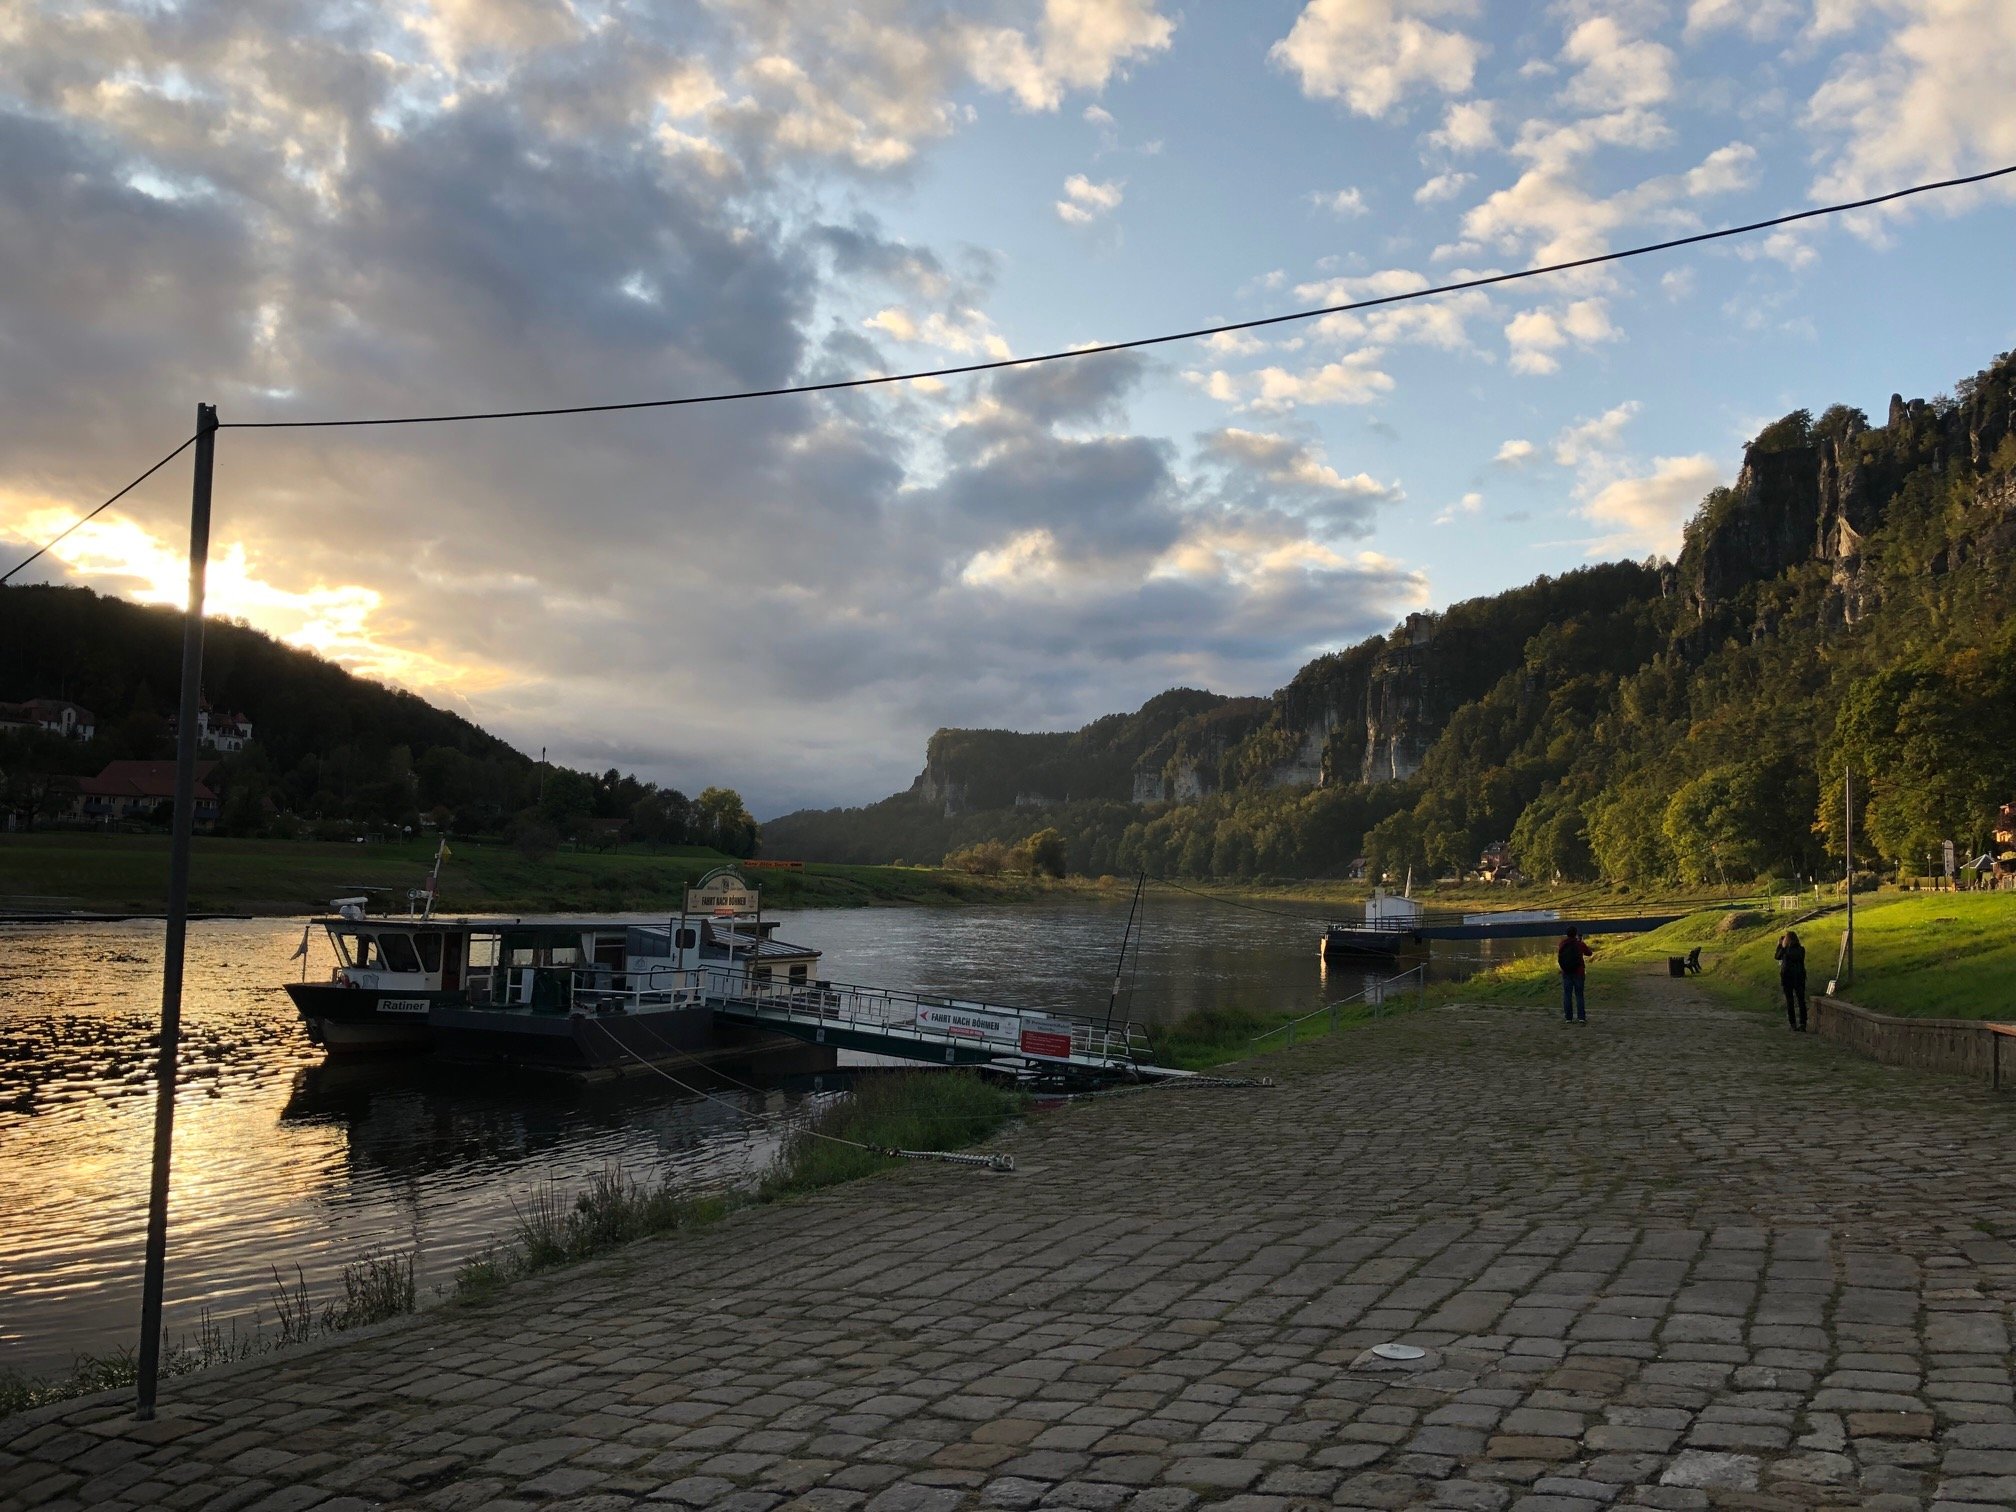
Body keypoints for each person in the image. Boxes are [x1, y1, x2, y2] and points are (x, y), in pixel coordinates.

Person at [1556, 925, 1593, 1023]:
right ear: (1576, 933)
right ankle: (1581, 1017)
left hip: (1566, 972)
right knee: (1579, 995)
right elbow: (1589, 953)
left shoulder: (1562, 944)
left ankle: (1568, 1017)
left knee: (1567, 995)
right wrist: (1581, 941)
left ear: (1567, 934)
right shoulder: (1579, 944)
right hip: (1579, 972)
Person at [1775, 929, 1808, 1032]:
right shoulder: (1801, 949)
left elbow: (1777, 956)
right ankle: (1803, 1023)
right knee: (1801, 1000)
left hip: (1787, 977)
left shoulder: (1785, 950)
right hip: (1799, 977)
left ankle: (1793, 1023)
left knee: (1790, 1001)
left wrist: (1780, 945)